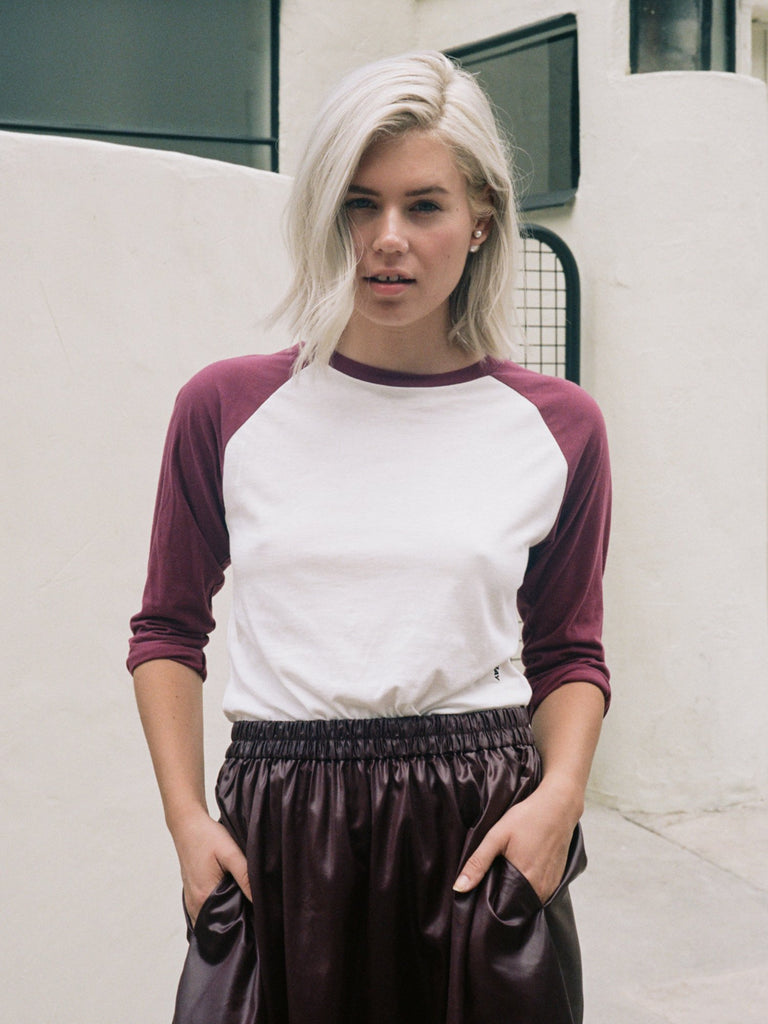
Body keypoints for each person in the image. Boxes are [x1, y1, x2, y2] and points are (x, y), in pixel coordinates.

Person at [129, 51, 611, 1024]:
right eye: (358, 203)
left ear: (480, 218)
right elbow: (168, 633)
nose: (388, 240)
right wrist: (187, 821)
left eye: (424, 205)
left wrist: (557, 799)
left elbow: (570, 653)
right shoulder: (226, 408)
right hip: (283, 828)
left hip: (476, 827)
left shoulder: (559, 426)